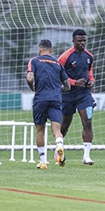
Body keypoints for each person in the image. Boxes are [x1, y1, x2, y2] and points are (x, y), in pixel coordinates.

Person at [28, 39, 71, 170]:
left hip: (41, 98)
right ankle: (59, 145)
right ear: (51, 51)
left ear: (39, 50)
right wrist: (59, 90)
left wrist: (32, 87)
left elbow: (30, 77)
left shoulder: (34, 61)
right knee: (57, 130)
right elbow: (67, 85)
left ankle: (43, 162)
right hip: (56, 99)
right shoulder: (57, 63)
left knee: (40, 130)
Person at [58, 30, 96, 166]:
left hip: (84, 94)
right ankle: (59, 148)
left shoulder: (89, 56)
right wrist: (73, 82)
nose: (82, 43)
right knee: (64, 125)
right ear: (73, 41)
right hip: (67, 94)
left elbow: (89, 71)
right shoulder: (65, 57)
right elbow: (58, 74)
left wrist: (91, 80)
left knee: (88, 122)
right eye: (80, 41)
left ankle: (86, 156)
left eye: (84, 40)